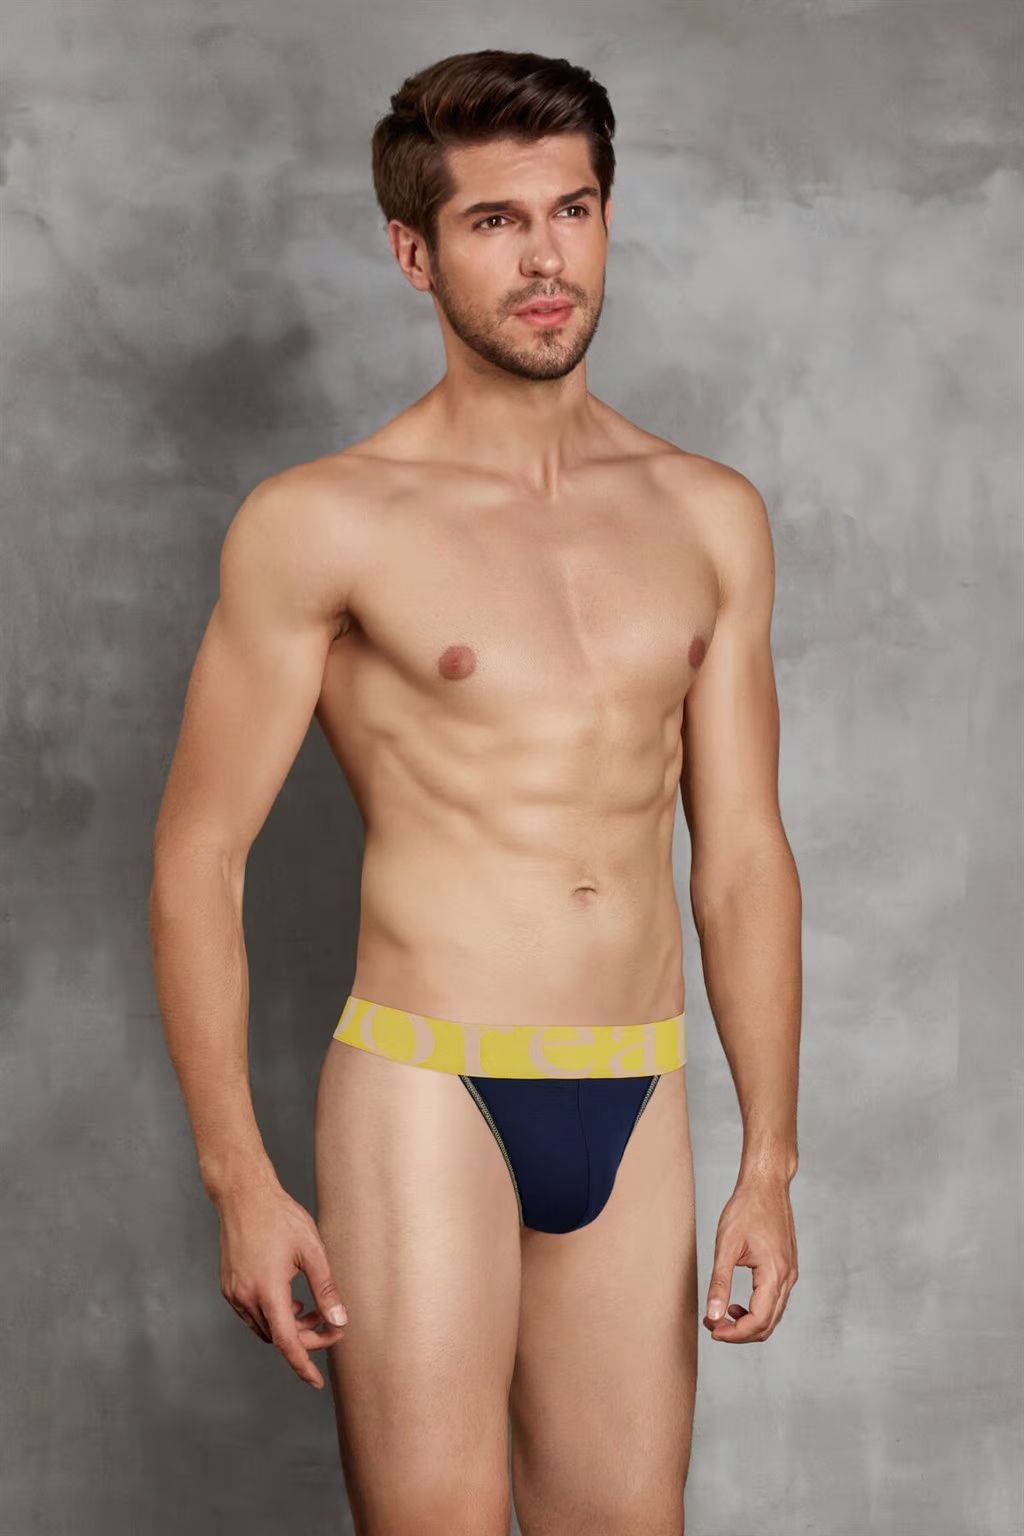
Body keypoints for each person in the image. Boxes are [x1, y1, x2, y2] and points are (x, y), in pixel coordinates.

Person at [149, 46, 802, 1536]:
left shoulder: (710, 517)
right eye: (496, 222)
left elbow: (743, 857)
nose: (545, 259)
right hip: (425, 1084)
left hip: (636, 1086)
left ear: (608, 218)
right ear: (414, 252)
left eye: (572, 210)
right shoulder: (324, 522)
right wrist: (240, 1180)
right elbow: (200, 856)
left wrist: (769, 1159)